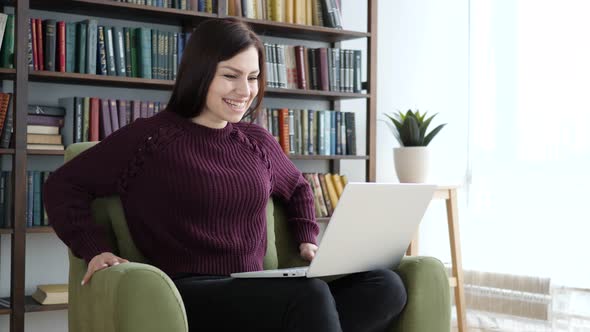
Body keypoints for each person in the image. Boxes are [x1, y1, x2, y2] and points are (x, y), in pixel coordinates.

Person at [43, 18, 407, 332]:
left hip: (258, 288)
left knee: (386, 285)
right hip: (189, 293)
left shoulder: (256, 140)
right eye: (230, 76)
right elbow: (63, 185)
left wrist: (307, 237)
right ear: (199, 73)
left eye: (252, 77)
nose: (245, 91)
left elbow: (298, 189)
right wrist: (95, 248)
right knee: (308, 295)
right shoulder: (148, 138)